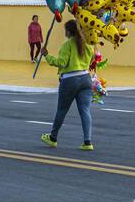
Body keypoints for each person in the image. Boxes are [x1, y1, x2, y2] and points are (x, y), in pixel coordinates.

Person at [39, 20, 105, 151]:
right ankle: (87, 142)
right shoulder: (88, 44)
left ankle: (53, 138)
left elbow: (61, 63)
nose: (64, 32)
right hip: (86, 79)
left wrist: (46, 55)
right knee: (85, 111)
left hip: (70, 80)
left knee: (62, 110)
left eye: (65, 30)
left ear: (69, 31)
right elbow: (92, 59)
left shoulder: (67, 45)